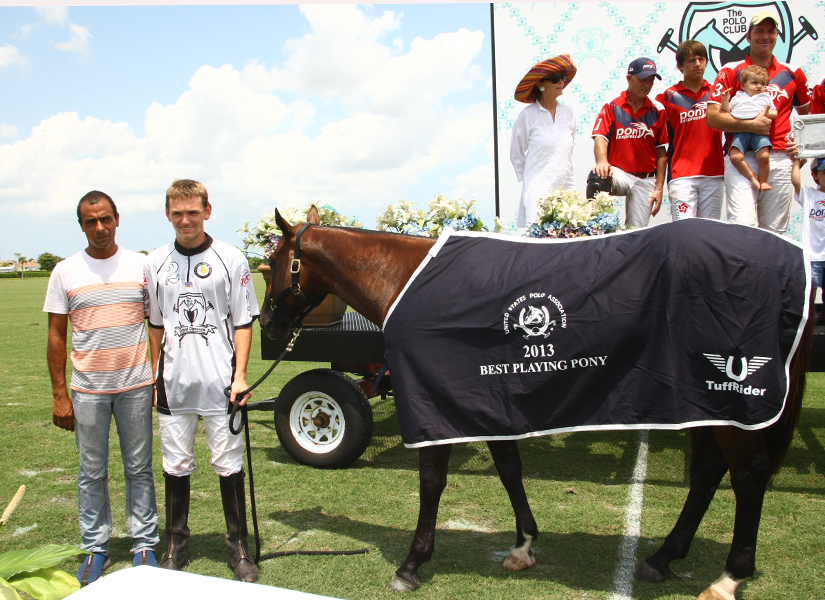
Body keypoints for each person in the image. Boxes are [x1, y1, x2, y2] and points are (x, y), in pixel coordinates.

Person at [145, 179, 259, 582]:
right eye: (177, 213)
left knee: (228, 464)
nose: (185, 220)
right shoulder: (155, 261)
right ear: (167, 214)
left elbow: (243, 322)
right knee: (175, 464)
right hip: (174, 385)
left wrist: (240, 377)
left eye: (193, 212)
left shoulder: (232, 258)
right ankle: (176, 547)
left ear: (207, 211)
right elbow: (156, 325)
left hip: (221, 383)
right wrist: (157, 374)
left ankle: (239, 549)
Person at [44, 191, 158, 586]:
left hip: (136, 384)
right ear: (81, 225)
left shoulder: (141, 265)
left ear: (117, 219)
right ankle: (96, 547)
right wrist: (61, 394)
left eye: (105, 219)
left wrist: (157, 376)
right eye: (91, 221)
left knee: (139, 468)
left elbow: (155, 326)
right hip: (88, 390)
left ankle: (145, 545)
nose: (100, 228)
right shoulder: (65, 271)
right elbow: (56, 336)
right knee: (91, 472)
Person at [707, 10, 811, 233]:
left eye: (771, 32)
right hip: (741, 156)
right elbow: (712, 117)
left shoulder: (793, 73)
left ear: (777, 37)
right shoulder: (730, 70)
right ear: (748, 37)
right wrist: (749, 125)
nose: (765, 36)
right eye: (759, 31)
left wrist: (800, 148)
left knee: (774, 232)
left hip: (781, 159)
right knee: (743, 226)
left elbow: (808, 119)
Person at [592, 57, 668, 228]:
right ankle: (600, 231)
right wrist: (602, 162)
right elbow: (600, 136)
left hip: (645, 179)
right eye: (643, 79)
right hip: (620, 174)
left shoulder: (658, 110)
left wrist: (659, 188)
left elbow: (661, 152)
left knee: (636, 235)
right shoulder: (612, 105)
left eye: (651, 80)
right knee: (597, 178)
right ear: (629, 79)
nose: (647, 84)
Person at [655, 41, 724, 220]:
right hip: (681, 176)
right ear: (680, 65)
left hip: (714, 174)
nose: (698, 64)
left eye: (701, 59)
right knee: (685, 234)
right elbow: (655, 140)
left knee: (709, 234)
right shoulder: (666, 97)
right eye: (692, 60)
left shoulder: (717, 93)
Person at [510, 54, 578, 227]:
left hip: (566, 187)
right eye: (555, 78)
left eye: (562, 78)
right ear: (540, 84)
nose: (561, 82)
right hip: (538, 191)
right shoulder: (527, 116)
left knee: (568, 240)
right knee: (540, 245)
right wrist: (530, 178)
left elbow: (566, 152)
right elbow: (516, 154)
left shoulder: (569, 113)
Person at [720, 65, 777, 191]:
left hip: (760, 133)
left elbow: (775, 113)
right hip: (741, 133)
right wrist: (725, 100)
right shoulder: (738, 97)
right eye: (754, 82)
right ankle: (752, 177)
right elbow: (727, 110)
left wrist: (765, 114)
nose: (759, 86)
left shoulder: (765, 97)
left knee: (764, 156)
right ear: (743, 86)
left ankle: (763, 180)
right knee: (735, 157)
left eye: (763, 83)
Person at [792, 158, 825, 323]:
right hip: (813, 255)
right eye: (824, 172)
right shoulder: (810, 194)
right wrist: (797, 163)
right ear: (815, 175)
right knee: (809, 292)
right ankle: (808, 322)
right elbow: (796, 181)